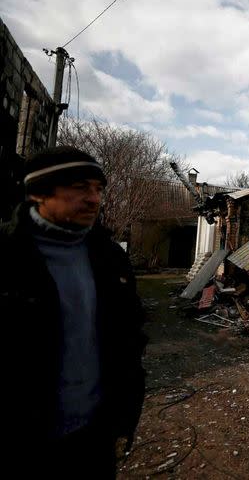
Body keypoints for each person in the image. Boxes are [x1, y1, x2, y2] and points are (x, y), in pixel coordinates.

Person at [0, 146, 146, 478]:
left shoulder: (109, 258)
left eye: (98, 189)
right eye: (80, 188)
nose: (94, 199)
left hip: (96, 433)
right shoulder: (8, 260)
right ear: (39, 192)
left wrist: (125, 410)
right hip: (23, 438)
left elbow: (130, 335)